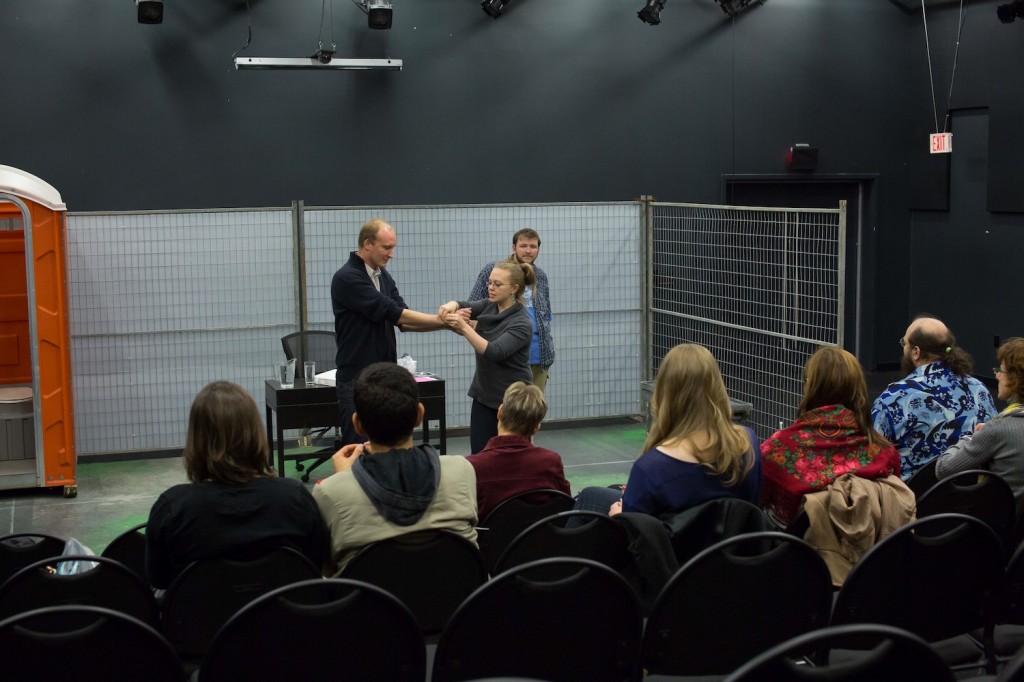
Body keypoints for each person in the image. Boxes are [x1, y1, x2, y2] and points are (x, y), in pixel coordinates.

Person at [145, 381, 327, 589]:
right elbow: (314, 566)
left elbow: (158, 579)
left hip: (202, 620)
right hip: (284, 619)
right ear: (255, 433)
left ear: (196, 440)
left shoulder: (173, 509)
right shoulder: (296, 498)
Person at [312, 362, 478, 575]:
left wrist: (345, 478)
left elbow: (327, 568)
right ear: (419, 415)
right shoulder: (462, 471)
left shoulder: (330, 492)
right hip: (457, 606)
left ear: (357, 424)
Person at [573, 344, 762, 519]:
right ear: (717, 387)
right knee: (592, 495)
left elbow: (635, 539)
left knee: (589, 499)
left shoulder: (651, 468)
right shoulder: (748, 442)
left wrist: (619, 517)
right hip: (729, 550)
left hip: (672, 553)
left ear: (665, 392)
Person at [331, 218, 447, 445]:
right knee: (359, 447)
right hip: (356, 379)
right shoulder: (347, 278)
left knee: (388, 444)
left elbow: (403, 321)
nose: (391, 254)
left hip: (384, 377)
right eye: (386, 247)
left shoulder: (382, 275)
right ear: (367, 244)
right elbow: (395, 313)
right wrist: (444, 320)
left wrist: (447, 324)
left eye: (392, 247)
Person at [760, 346, 902, 526]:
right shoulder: (884, 452)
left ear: (810, 385)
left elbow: (758, 499)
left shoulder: (778, 449)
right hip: (869, 550)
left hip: (801, 550)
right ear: (857, 387)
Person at [871, 314, 997, 480]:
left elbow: (872, 457)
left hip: (913, 500)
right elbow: (994, 441)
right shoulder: (979, 390)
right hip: (974, 497)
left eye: (905, 343)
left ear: (916, 352)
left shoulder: (894, 397)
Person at [440, 261, 533, 454]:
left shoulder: (521, 323)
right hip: (484, 397)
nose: (490, 288)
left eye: (497, 284)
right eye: (490, 283)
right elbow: (466, 305)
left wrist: (464, 327)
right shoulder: (490, 306)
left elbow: (494, 352)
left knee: (510, 457)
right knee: (480, 454)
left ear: (514, 289)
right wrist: (452, 305)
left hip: (511, 402)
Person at [936, 337, 1024, 513]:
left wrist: (970, 438)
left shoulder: (998, 429)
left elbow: (943, 469)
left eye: (1001, 370)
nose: (997, 375)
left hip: (997, 532)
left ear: (1015, 379)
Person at [468, 381, 571, 519]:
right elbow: (565, 504)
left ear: (500, 411)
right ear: (536, 428)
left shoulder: (473, 466)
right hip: (540, 538)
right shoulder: (551, 462)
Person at [470, 229, 554, 392]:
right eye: (523, 246)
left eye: (533, 246)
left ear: (538, 249)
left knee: (531, 412)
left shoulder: (541, 277)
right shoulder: (494, 271)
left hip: (539, 357)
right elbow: (473, 308)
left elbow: (546, 316)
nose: (528, 250)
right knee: (505, 409)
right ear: (514, 247)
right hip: (507, 357)